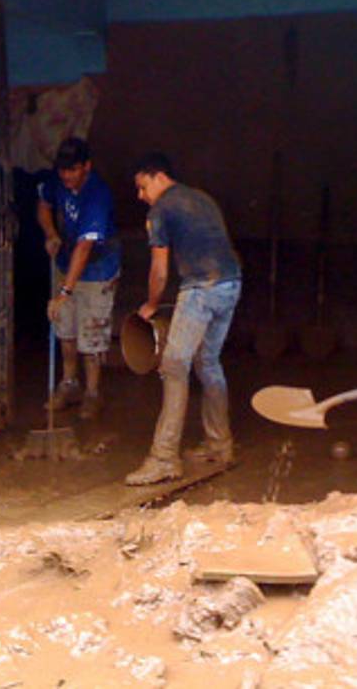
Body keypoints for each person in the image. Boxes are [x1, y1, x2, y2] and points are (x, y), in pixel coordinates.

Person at [126, 152, 242, 486]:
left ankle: (163, 458)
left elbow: (159, 270)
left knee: (173, 365)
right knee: (208, 361)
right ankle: (220, 445)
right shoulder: (202, 199)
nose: (140, 195)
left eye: (142, 186)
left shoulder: (160, 210)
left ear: (159, 177)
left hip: (201, 291)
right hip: (230, 285)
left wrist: (150, 304)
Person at [38, 137, 121, 420]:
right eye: (63, 171)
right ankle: (69, 385)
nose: (67, 176)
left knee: (92, 335)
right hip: (66, 262)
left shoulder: (98, 194)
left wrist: (65, 291)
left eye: (73, 170)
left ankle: (93, 393)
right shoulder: (56, 181)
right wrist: (51, 233)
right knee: (66, 330)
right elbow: (44, 204)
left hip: (97, 269)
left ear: (87, 166)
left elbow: (85, 247)